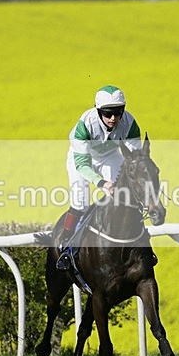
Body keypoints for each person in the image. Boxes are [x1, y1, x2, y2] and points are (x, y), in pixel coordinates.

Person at [56, 85, 142, 271]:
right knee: (81, 202)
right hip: (82, 159)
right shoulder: (85, 124)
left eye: (118, 112)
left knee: (124, 194)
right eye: (108, 113)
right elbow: (82, 164)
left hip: (110, 156)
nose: (113, 118)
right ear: (98, 110)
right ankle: (67, 245)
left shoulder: (130, 123)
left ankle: (140, 241)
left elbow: (135, 158)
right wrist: (101, 183)